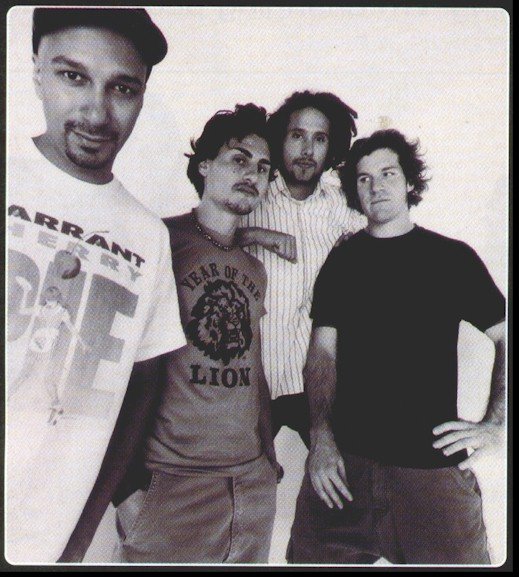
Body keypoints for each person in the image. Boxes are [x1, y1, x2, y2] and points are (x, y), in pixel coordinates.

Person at [6, 8, 185, 564]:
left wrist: (80, 534)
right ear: (37, 71)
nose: (97, 112)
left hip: (46, 538)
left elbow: (137, 397)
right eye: (73, 76)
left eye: (122, 88)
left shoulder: (148, 235)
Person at [288, 129, 506, 564]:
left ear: (409, 182)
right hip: (344, 468)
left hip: (430, 470)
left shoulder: (452, 258)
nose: (376, 186)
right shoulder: (342, 261)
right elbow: (322, 356)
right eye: (364, 178)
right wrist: (321, 436)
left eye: (388, 173)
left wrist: (496, 422)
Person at [109, 103, 281, 563]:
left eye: (263, 168)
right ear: (204, 165)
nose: (252, 174)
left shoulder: (254, 268)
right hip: (173, 482)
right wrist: (124, 490)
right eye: (239, 159)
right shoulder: (159, 241)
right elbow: (119, 361)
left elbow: (253, 368)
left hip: (249, 485)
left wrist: (268, 461)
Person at [238, 91, 365, 447]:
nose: (307, 150)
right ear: (280, 139)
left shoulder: (341, 205)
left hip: (316, 384)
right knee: (237, 476)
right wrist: (256, 234)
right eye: (297, 136)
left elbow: (382, 243)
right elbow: (205, 237)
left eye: (319, 139)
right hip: (252, 380)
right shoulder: (252, 194)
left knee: (343, 472)